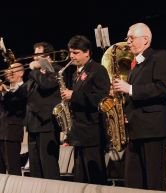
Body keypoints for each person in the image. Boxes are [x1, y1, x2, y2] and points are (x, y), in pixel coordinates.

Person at [113, 23, 166, 190]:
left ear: (145, 40)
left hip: (152, 129)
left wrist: (129, 88)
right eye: (127, 38)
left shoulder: (159, 56)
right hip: (135, 129)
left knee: (154, 181)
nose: (128, 42)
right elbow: (135, 94)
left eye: (131, 38)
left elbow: (162, 88)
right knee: (133, 180)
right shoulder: (135, 66)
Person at [60, 35, 110, 184]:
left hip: (92, 132)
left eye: (75, 53)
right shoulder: (76, 73)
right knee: (80, 177)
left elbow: (102, 99)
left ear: (87, 52)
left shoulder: (98, 70)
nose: (71, 56)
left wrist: (73, 95)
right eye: (70, 52)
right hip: (79, 132)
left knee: (95, 177)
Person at [24, 42, 61, 179]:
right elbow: (27, 94)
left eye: (39, 55)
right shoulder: (37, 73)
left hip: (47, 124)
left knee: (48, 165)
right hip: (33, 123)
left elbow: (47, 85)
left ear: (48, 56)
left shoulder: (56, 69)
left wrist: (34, 71)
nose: (35, 58)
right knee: (35, 167)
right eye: (35, 55)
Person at [0, 63, 26, 175]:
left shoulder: (25, 88)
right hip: (1, 131)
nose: (9, 73)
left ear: (21, 73)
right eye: (8, 70)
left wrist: (5, 93)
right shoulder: (7, 90)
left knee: (13, 167)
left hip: (12, 132)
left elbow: (17, 105)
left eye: (13, 70)